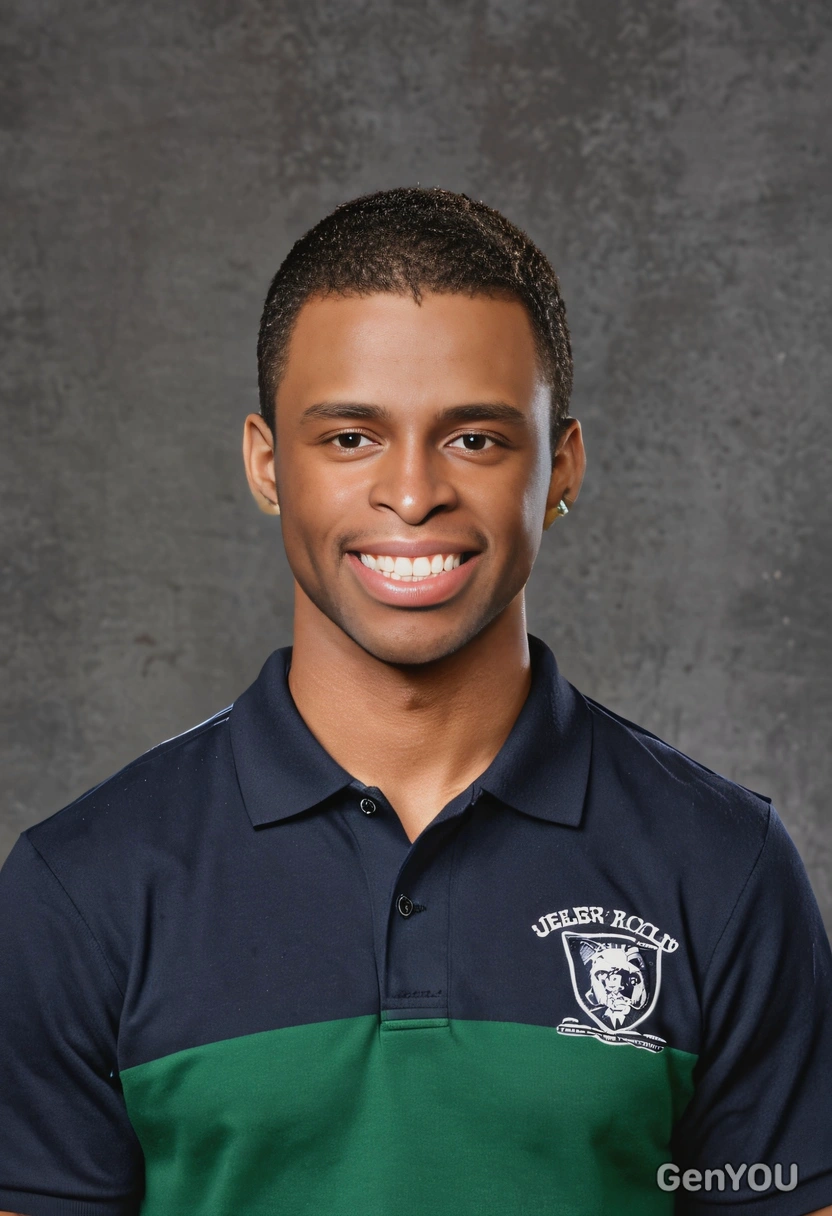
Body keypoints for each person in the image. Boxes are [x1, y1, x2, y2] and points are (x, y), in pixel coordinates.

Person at [0, 187, 830, 1216]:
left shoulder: (722, 864)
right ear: (267, 463)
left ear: (559, 466)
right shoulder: (85, 885)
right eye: (349, 437)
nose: (410, 492)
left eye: (474, 439)